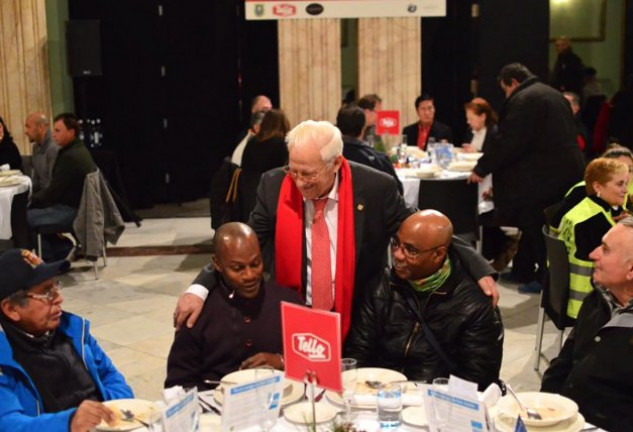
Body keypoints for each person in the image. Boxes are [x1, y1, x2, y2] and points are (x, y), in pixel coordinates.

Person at [175, 120, 499, 337]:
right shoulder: (274, 185)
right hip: (292, 310)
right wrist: (199, 287)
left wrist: (476, 265)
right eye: (293, 170)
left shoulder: (375, 188)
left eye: (308, 174)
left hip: (360, 314)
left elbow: (422, 229)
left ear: (335, 163)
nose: (299, 182)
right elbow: (244, 245)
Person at [344, 210, 503, 390]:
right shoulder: (382, 286)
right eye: (396, 243)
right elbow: (358, 352)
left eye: (411, 250)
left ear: (439, 254)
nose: (398, 255)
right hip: (378, 394)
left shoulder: (474, 304)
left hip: (437, 402)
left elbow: (477, 381)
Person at [468, 63, 585, 294]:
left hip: (542, 177)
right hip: (567, 172)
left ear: (513, 82)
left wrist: (482, 168)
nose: (506, 95)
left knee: (536, 225)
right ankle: (523, 269)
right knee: (536, 225)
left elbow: (508, 141)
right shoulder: (552, 94)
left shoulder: (524, 99)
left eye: (505, 90)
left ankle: (544, 280)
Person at [0, 249, 133, 431]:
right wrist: (69, 423)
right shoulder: (4, 357)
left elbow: (110, 375)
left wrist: (111, 412)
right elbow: (8, 423)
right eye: (47, 292)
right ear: (11, 309)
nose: (59, 298)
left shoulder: (73, 329)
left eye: (56, 286)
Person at [165, 223, 302, 390]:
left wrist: (282, 361)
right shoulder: (197, 313)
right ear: (217, 264)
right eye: (237, 268)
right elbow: (178, 384)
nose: (249, 275)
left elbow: (316, 364)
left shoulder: (289, 301)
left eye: (255, 264)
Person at [541, 217, 633, 432]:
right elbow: (564, 364)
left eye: (605, 249)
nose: (593, 254)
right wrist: (545, 406)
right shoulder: (597, 300)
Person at [557, 158, 629, 318]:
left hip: (567, 296)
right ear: (597, 186)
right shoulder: (595, 223)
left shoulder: (585, 210)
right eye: (619, 184)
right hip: (591, 304)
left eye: (626, 183)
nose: (625, 190)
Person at [27, 113, 97, 261]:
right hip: (74, 206)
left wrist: (29, 200)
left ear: (71, 132)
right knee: (29, 213)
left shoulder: (70, 157)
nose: (53, 134)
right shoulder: (76, 150)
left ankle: (53, 259)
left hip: (73, 211)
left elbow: (53, 192)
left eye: (58, 131)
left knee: (23, 219)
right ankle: (62, 250)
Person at [462, 98, 516, 272]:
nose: (468, 122)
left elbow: (495, 157)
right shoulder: (470, 133)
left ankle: (502, 244)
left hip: (492, 179)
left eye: (471, 118)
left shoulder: (494, 134)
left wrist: (476, 153)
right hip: (476, 175)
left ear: (483, 117)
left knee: (486, 212)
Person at [336, 105, 403, 195]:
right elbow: (398, 191)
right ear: (363, 128)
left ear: (337, 127)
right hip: (372, 207)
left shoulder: (329, 158)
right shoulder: (380, 160)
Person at [241, 109, 290, 175]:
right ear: (284, 124)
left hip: (250, 183)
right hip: (272, 184)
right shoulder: (282, 144)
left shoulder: (252, 141)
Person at [24, 112, 59, 192]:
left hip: (52, 199)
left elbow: (53, 184)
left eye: (28, 127)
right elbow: (36, 179)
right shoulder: (36, 147)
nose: (26, 132)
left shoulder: (53, 147)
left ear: (41, 128)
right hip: (42, 196)